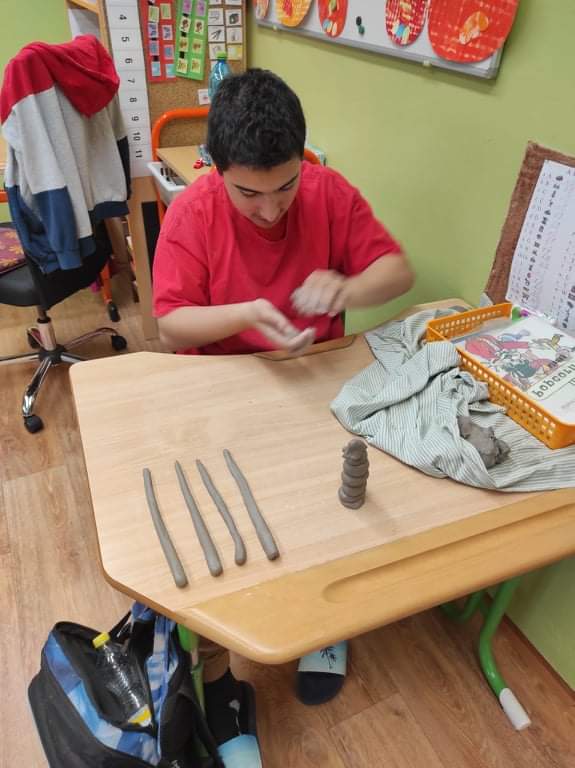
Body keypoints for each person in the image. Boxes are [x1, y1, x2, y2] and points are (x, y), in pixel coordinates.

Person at [153, 68, 413, 764]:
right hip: (223, 392)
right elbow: (171, 325)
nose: (271, 211)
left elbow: (398, 272)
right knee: (221, 548)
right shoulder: (193, 213)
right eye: (250, 193)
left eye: (285, 187)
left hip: (313, 386)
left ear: (303, 159)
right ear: (215, 170)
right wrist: (244, 313)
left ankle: (324, 626)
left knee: (329, 511)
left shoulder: (326, 190)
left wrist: (347, 287)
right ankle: (218, 679)